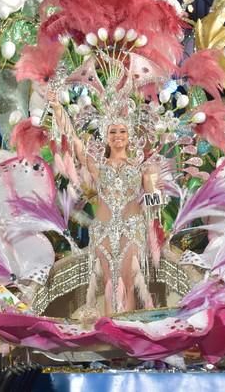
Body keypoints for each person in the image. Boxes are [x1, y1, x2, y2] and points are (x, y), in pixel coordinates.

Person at [48, 91, 159, 316]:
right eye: (113, 131)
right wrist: (58, 108)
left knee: (128, 281)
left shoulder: (141, 167)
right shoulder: (96, 165)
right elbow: (73, 139)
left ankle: (128, 333)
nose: (118, 135)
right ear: (106, 136)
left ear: (130, 135)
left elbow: (155, 204)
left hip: (132, 230)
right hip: (104, 232)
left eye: (123, 131)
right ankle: (112, 333)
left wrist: (149, 183)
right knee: (110, 282)